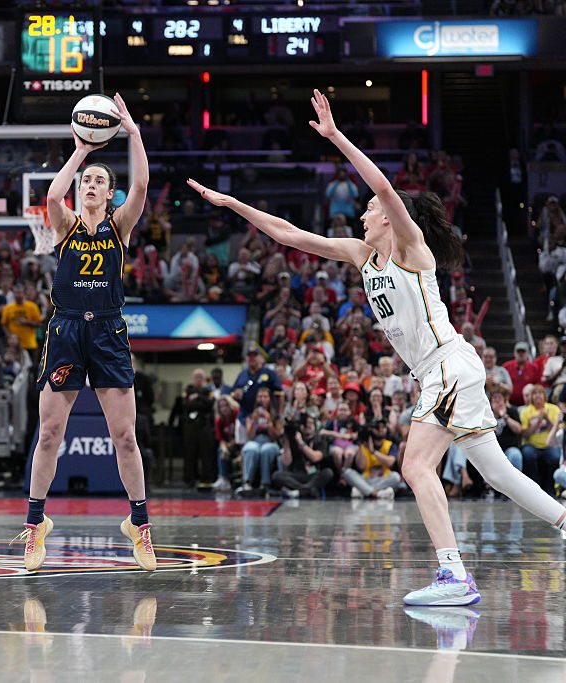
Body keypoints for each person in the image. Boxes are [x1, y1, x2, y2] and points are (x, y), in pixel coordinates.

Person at [189, 89, 566, 607]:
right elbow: (290, 235)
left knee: (414, 468)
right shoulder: (360, 254)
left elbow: (384, 186)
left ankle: (454, 576)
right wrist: (233, 204)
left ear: (388, 217)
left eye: (369, 210)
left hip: (447, 366)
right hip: (443, 372)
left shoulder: (411, 247)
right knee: (497, 471)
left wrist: (335, 135)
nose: (363, 216)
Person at [16, 93, 156, 573]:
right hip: (67, 331)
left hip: (109, 334)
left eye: (99, 180)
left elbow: (141, 183)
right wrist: (81, 150)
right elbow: (52, 197)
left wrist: (133, 133)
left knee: (125, 437)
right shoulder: (65, 224)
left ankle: (139, 525)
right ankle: (36, 527)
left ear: (110, 193)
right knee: (50, 432)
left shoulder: (120, 226)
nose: (92, 184)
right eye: (87, 182)